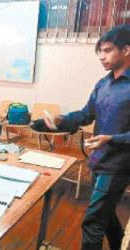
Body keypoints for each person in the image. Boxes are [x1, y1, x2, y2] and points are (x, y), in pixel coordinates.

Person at [37, 25, 130, 250]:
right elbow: (86, 114)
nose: (101, 56)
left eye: (107, 50)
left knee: (93, 222)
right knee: (105, 217)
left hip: (118, 165)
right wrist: (61, 120)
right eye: (100, 51)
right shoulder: (103, 84)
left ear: (126, 50)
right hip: (98, 160)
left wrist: (111, 139)